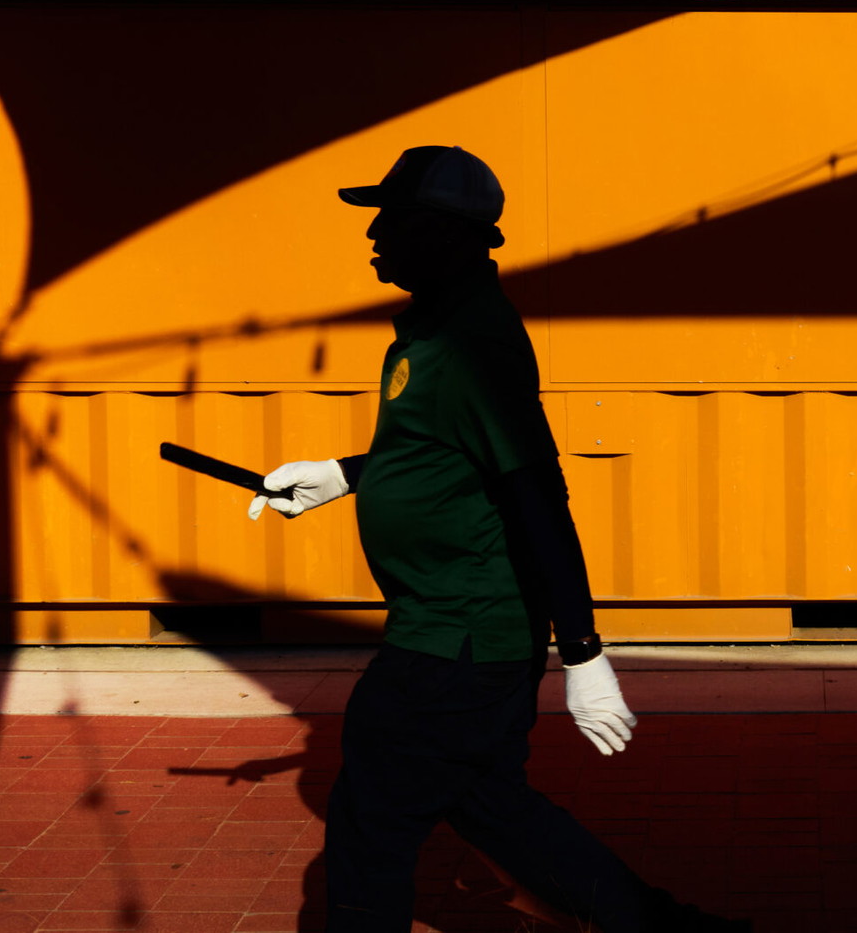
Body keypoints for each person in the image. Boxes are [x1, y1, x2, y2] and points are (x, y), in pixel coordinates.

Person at [246, 146, 747, 933]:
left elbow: (537, 494)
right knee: (491, 807)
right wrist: (344, 475)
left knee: (370, 822)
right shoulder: (435, 332)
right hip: (459, 632)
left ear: (444, 232)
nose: (374, 232)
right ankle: (668, 930)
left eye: (392, 216)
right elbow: (442, 453)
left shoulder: (473, 344)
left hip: (457, 637)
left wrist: (584, 654)